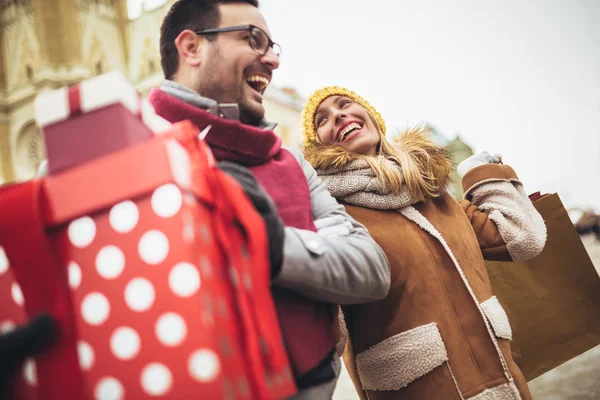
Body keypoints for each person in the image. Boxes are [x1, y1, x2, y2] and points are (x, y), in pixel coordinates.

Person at [148, 2, 391, 398]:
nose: (272, 60)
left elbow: (371, 268)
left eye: (272, 46)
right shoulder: (121, 151)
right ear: (191, 48)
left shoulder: (291, 161)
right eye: (253, 39)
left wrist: (274, 245)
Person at [301, 86, 547, 400]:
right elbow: (320, 339)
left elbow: (522, 239)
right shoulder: (332, 218)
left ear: (373, 118)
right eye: (322, 119)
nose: (337, 115)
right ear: (319, 146)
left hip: (503, 384)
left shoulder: (437, 196)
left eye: (345, 104)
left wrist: (479, 172)